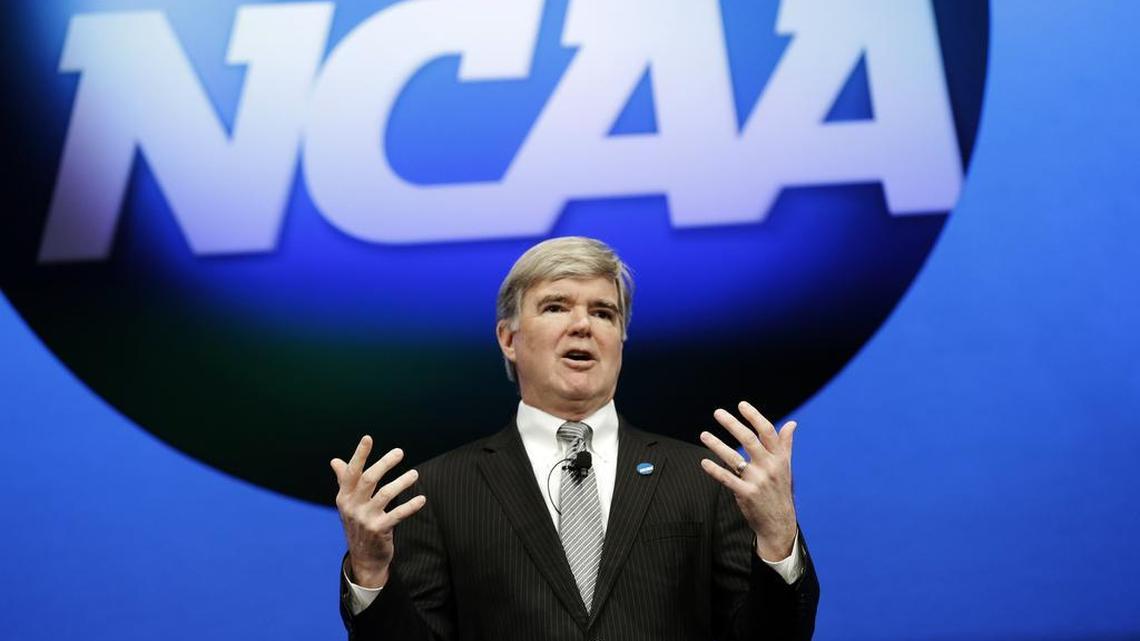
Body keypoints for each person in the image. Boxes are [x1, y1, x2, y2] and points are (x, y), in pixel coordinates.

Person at [331, 236, 819, 640]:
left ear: (621, 340)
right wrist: (370, 571)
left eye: (604, 313)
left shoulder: (705, 481)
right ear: (508, 339)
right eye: (556, 307)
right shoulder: (436, 492)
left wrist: (778, 538)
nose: (583, 325)